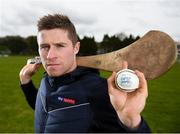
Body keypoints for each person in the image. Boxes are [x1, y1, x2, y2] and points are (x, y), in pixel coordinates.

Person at [19, 14, 151, 133]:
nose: (50, 55)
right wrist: (25, 82)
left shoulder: (98, 90)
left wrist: (131, 121)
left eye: (60, 46)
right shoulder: (47, 78)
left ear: (76, 48)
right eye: (44, 47)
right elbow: (45, 108)